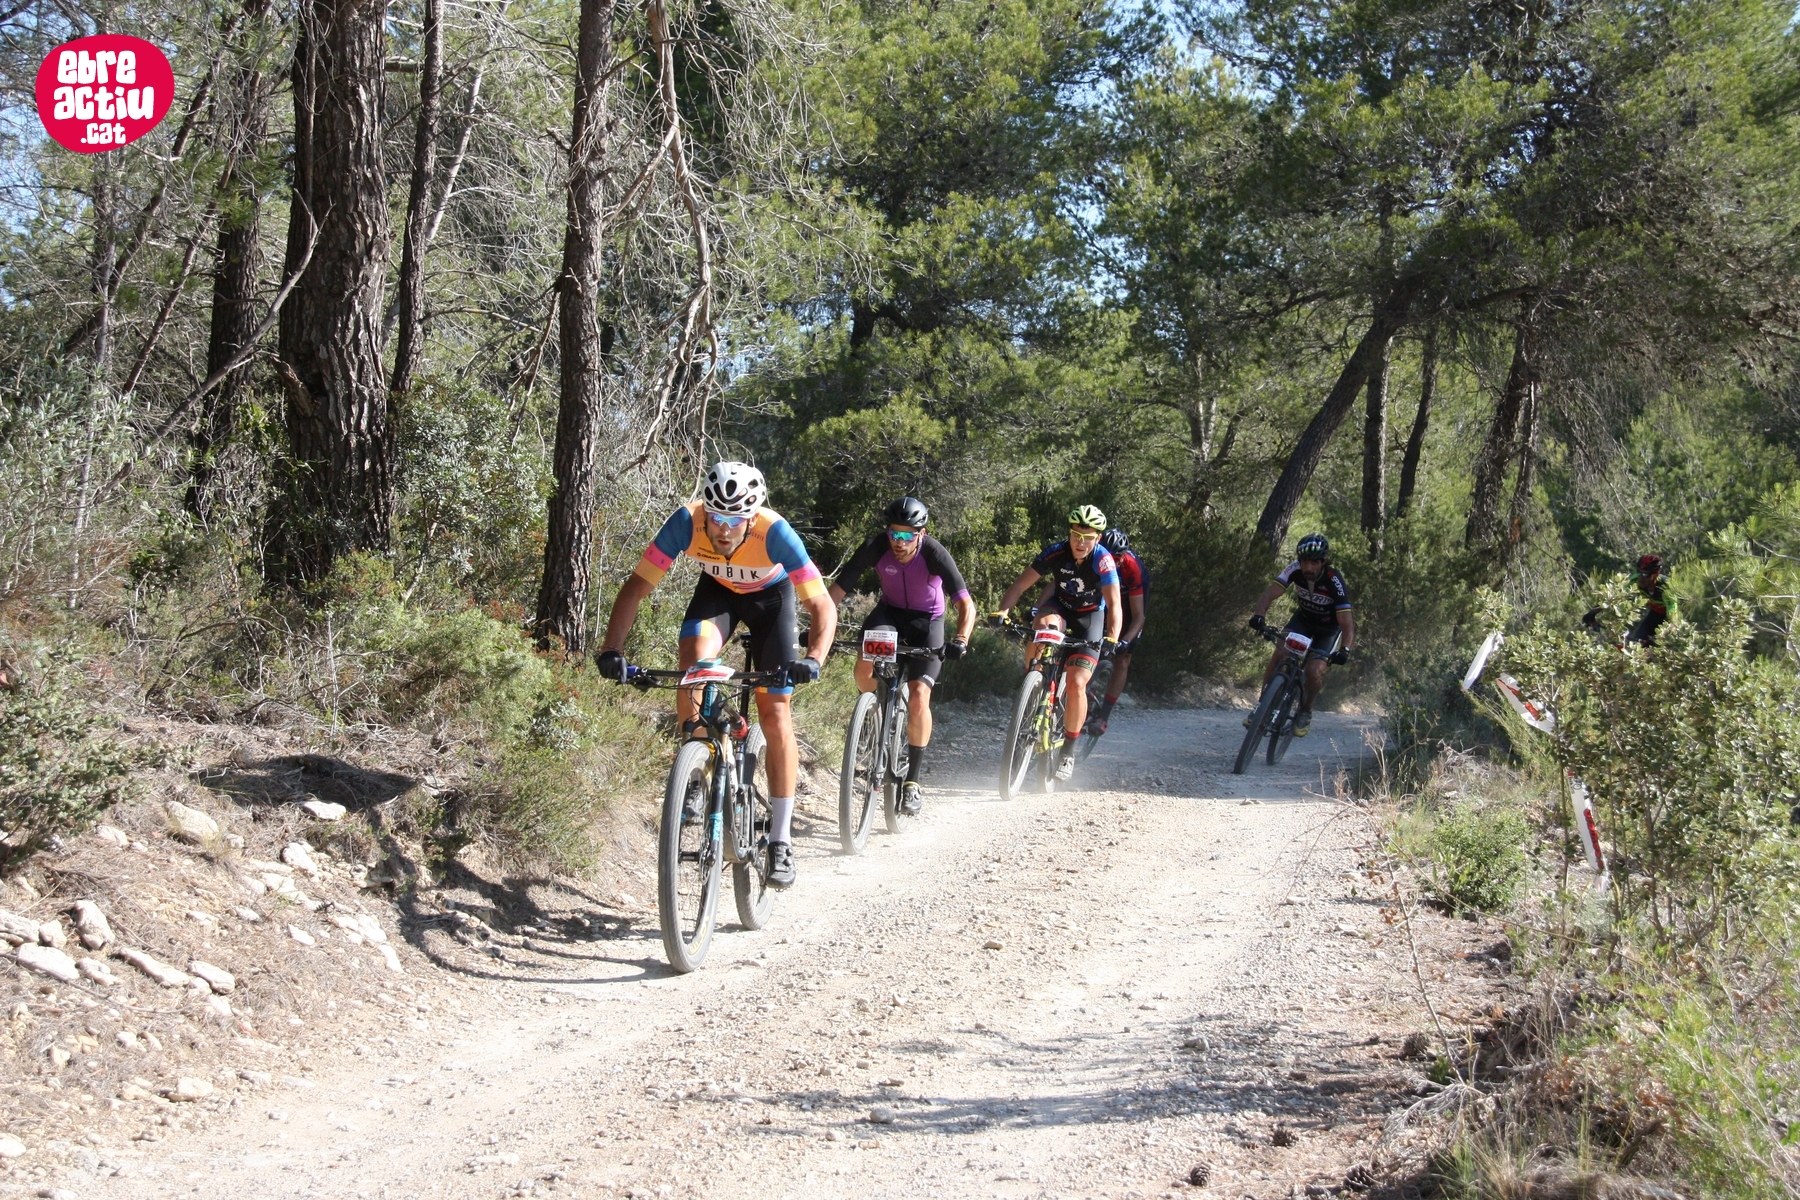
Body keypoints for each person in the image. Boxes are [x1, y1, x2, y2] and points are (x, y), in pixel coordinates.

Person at [595, 462, 837, 890]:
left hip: (772, 603)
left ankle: (780, 840)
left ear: (752, 518)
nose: (723, 530)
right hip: (717, 596)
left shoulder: (775, 533)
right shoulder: (686, 523)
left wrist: (814, 658)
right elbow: (636, 587)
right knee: (693, 662)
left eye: (735, 520)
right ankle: (695, 761)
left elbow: (822, 605)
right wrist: (612, 649)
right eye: (716, 518)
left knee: (775, 712)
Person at [827, 497, 977, 816]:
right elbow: (837, 592)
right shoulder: (876, 546)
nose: (899, 541)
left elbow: (966, 604)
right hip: (890, 615)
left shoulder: (935, 553)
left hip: (928, 623)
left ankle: (912, 782)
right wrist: (820, 629)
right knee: (863, 666)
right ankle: (874, 714)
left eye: (907, 535)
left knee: (920, 695)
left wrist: (961, 639)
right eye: (894, 533)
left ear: (921, 534)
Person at [989, 505, 1122, 781]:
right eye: (1075, 535)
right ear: (1069, 533)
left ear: (1097, 538)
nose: (1080, 542)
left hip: (1089, 618)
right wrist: (1002, 611)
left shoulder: (1104, 561)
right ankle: (1034, 681)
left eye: (1087, 537)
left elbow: (1114, 603)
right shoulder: (1056, 552)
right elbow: (1020, 585)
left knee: (1076, 684)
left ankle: (1068, 752)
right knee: (1041, 625)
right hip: (1059, 607)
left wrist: (1112, 636)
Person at [1246, 533, 1354, 738]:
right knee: (1280, 653)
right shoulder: (1294, 569)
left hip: (1328, 629)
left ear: (1323, 562)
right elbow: (1269, 594)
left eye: (1314, 563)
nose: (1308, 568)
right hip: (1303, 620)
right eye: (1304, 562)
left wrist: (1345, 650)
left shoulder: (1333, 579)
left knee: (1313, 671)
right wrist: (1259, 615)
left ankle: (1305, 710)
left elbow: (1347, 622)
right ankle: (1261, 706)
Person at [1084, 527, 1147, 738]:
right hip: (1102, 598)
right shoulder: (1091, 556)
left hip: (1129, 603)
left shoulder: (1132, 568)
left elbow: (1139, 617)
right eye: (1109, 556)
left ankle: (1104, 716)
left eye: (1117, 558)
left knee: (1122, 658)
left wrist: (1125, 641)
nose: (1113, 561)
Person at [1625, 554, 1672, 647]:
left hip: (1670, 617)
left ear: (1656, 575)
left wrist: (1658, 638)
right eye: (1639, 572)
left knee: (1659, 647)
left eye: (1646, 574)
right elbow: (1616, 595)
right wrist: (1596, 611)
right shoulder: (1635, 579)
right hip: (1654, 614)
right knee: (1637, 645)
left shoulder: (1666, 587)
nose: (1641, 578)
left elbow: (1673, 614)